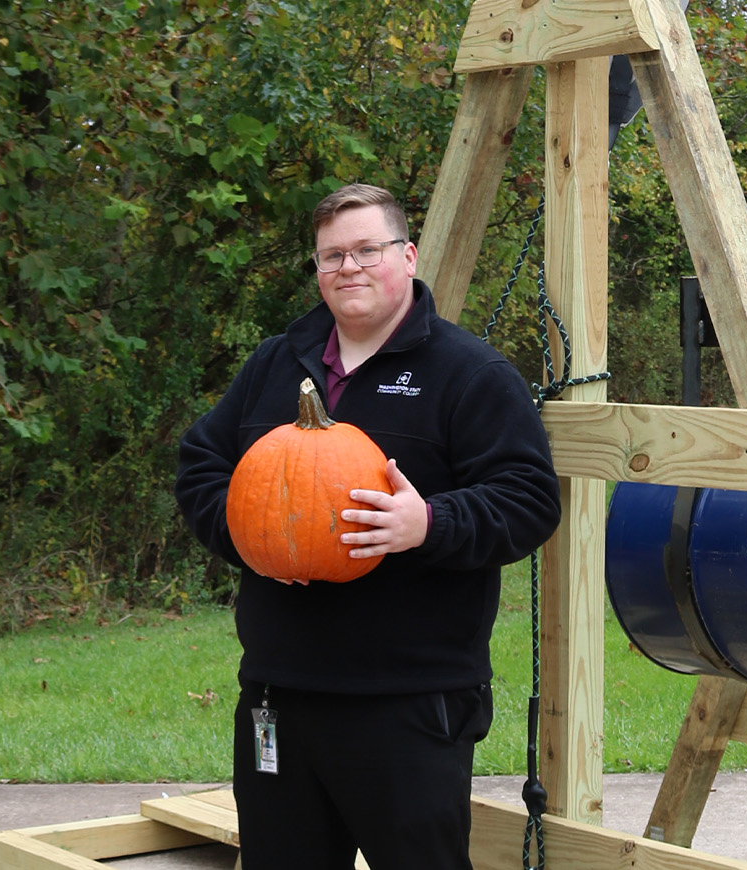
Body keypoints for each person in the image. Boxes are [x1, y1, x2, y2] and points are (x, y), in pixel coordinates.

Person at [174, 183, 561, 869]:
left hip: (408, 701)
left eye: (366, 250)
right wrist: (252, 541)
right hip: (279, 692)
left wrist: (430, 522)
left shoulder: (470, 374)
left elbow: (528, 499)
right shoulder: (276, 363)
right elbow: (202, 465)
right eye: (332, 256)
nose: (348, 267)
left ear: (406, 256)